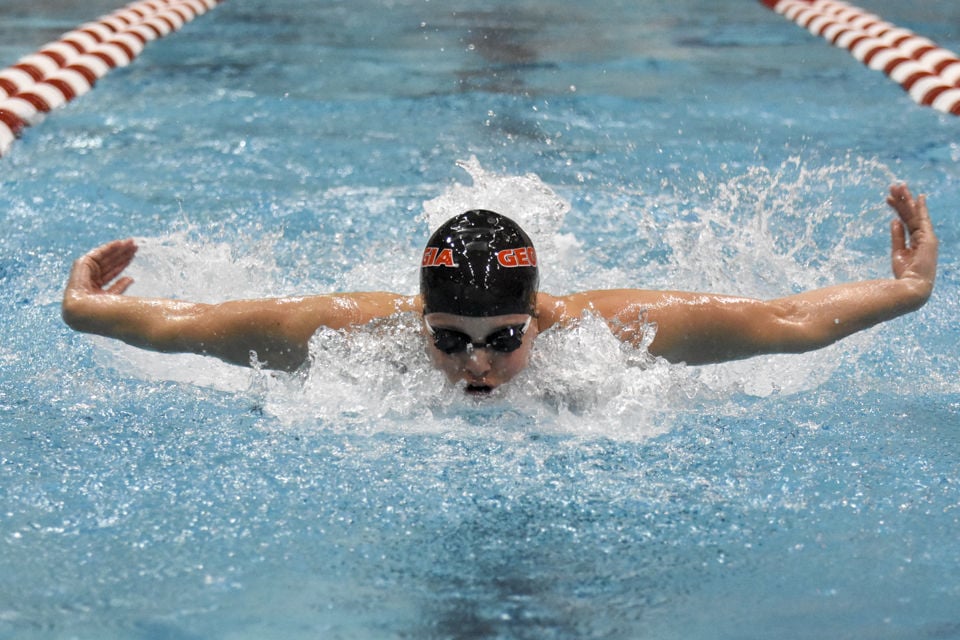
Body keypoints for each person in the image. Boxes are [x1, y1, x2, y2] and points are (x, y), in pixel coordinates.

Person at [62, 184, 937, 395]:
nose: (474, 366)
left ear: (537, 316)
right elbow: (192, 325)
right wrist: (90, 312)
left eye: (499, 341)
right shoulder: (347, 334)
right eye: (446, 341)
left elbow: (783, 320)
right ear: (420, 318)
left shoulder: (617, 330)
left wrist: (905, 293)